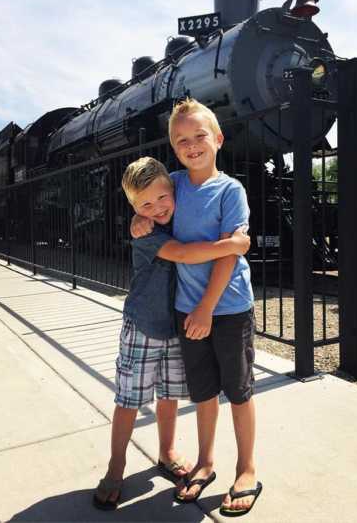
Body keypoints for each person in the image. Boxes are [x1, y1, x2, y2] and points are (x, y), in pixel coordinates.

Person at [93, 156, 250, 511]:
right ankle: (116, 466)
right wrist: (231, 246)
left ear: (172, 191)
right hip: (144, 326)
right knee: (129, 399)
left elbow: (187, 204)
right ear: (134, 208)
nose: (157, 207)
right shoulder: (148, 235)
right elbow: (182, 254)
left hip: (177, 326)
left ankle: (166, 452)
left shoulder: (180, 209)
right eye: (144, 205)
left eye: (162, 198)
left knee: (169, 396)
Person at [131, 99, 262, 517]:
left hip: (227, 308)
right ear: (173, 147)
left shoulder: (230, 190)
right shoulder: (173, 183)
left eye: (199, 136)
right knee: (204, 393)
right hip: (188, 310)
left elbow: (228, 259)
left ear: (218, 139)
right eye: (181, 140)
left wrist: (207, 307)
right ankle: (206, 462)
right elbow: (148, 203)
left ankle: (247, 469)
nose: (191, 145)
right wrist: (138, 220)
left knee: (238, 392)